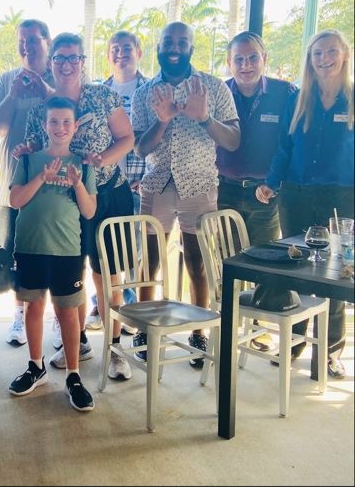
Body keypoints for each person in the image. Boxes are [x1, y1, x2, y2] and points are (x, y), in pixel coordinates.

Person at [22, 32, 135, 380]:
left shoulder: (103, 95)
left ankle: (115, 349)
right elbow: (33, 148)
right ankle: (79, 341)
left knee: (107, 275)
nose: (67, 65)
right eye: (60, 58)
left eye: (74, 58)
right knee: (73, 277)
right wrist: (24, 154)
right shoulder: (41, 108)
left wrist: (100, 161)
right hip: (64, 205)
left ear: (84, 62)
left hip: (109, 196)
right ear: (51, 62)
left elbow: (127, 138)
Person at [131, 21, 240, 366]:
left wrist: (205, 117)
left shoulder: (214, 87)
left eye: (182, 42)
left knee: (197, 261)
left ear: (191, 48)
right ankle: (146, 327)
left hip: (200, 184)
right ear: (159, 47)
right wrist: (161, 120)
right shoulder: (144, 91)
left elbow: (234, 141)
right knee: (149, 260)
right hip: (157, 184)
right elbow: (140, 148)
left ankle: (197, 328)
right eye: (168, 42)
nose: (174, 48)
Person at [256, 29, 354, 379]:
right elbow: (284, 147)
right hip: (295, 194)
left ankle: (328, 352)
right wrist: (270, 183)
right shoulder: (298, 100)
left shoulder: (352, 99)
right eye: (316, 54)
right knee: (296, 267)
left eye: (330, 51)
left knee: (334, 274)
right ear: (309, 61)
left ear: (343, 54)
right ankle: (293, 343)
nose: (324, 59)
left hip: (341, 199)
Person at [8, 96, 97, 411]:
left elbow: (89, 211)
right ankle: (36, 366)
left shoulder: (83, 164)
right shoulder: (29, 160)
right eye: (54, 121)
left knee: (68, 313)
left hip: (67, 250)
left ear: (74, 127)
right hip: (30, 247)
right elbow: (16, 200)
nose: (60, 127)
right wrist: (41, 178)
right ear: (45, 125)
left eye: (66, 122)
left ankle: (73, 375)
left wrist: (78, 186)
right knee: (33, 308)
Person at [218, 31, 298, 352]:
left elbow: (290, 145)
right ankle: (226, 325)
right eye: (239, 58)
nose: (246, 64)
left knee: (264, 262)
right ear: (229, 62)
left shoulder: (285, 93)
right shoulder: (220, 93)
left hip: (264, 195)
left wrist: (275, 182)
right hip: (223, 191)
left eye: (253, 57)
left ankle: (258, 329)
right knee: (227, 261)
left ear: (265, 59)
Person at [0, 18, 55, 347]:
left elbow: (74, 118)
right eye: (22, 41)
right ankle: (19, 314)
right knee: (14, 253)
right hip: (12, 184)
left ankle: (55, 318)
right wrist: (12, 96)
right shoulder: (6, 80)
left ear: (47, 42)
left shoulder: (60, 76)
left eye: (34, 39)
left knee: (53, 252)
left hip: (53, 186)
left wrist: (47, 91)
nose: (27, 45)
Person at [85, 30, 150, 331]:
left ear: (139, 52)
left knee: (127, 257)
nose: (121, 54)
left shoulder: (150, 90)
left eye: (127, 48)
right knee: (101, 258)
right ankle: (105, 310)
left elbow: (156, 139)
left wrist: (147, 177)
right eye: (115, 49)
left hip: (137, 184)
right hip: (103, 186)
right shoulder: (99, 92)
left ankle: (123, 315)